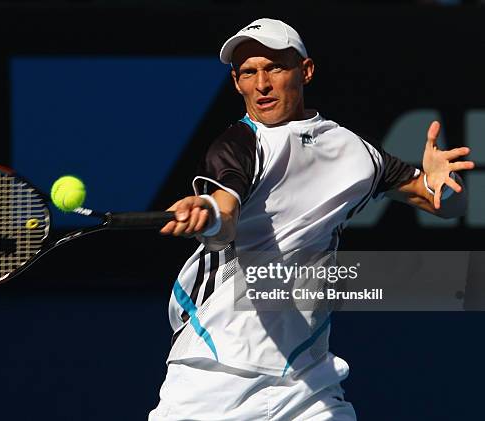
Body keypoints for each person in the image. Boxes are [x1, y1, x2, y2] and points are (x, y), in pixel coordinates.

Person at [151, 18, 474, 420]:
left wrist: (448, 184)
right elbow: (227, 211)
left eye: (274, 68)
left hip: (308, 383)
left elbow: (444, 206)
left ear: (305, 71)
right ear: (237, 83)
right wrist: (210, 215)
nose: (262, 84)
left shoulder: (354, 151)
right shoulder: (238, 144)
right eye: (249, 73)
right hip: (214, 372)